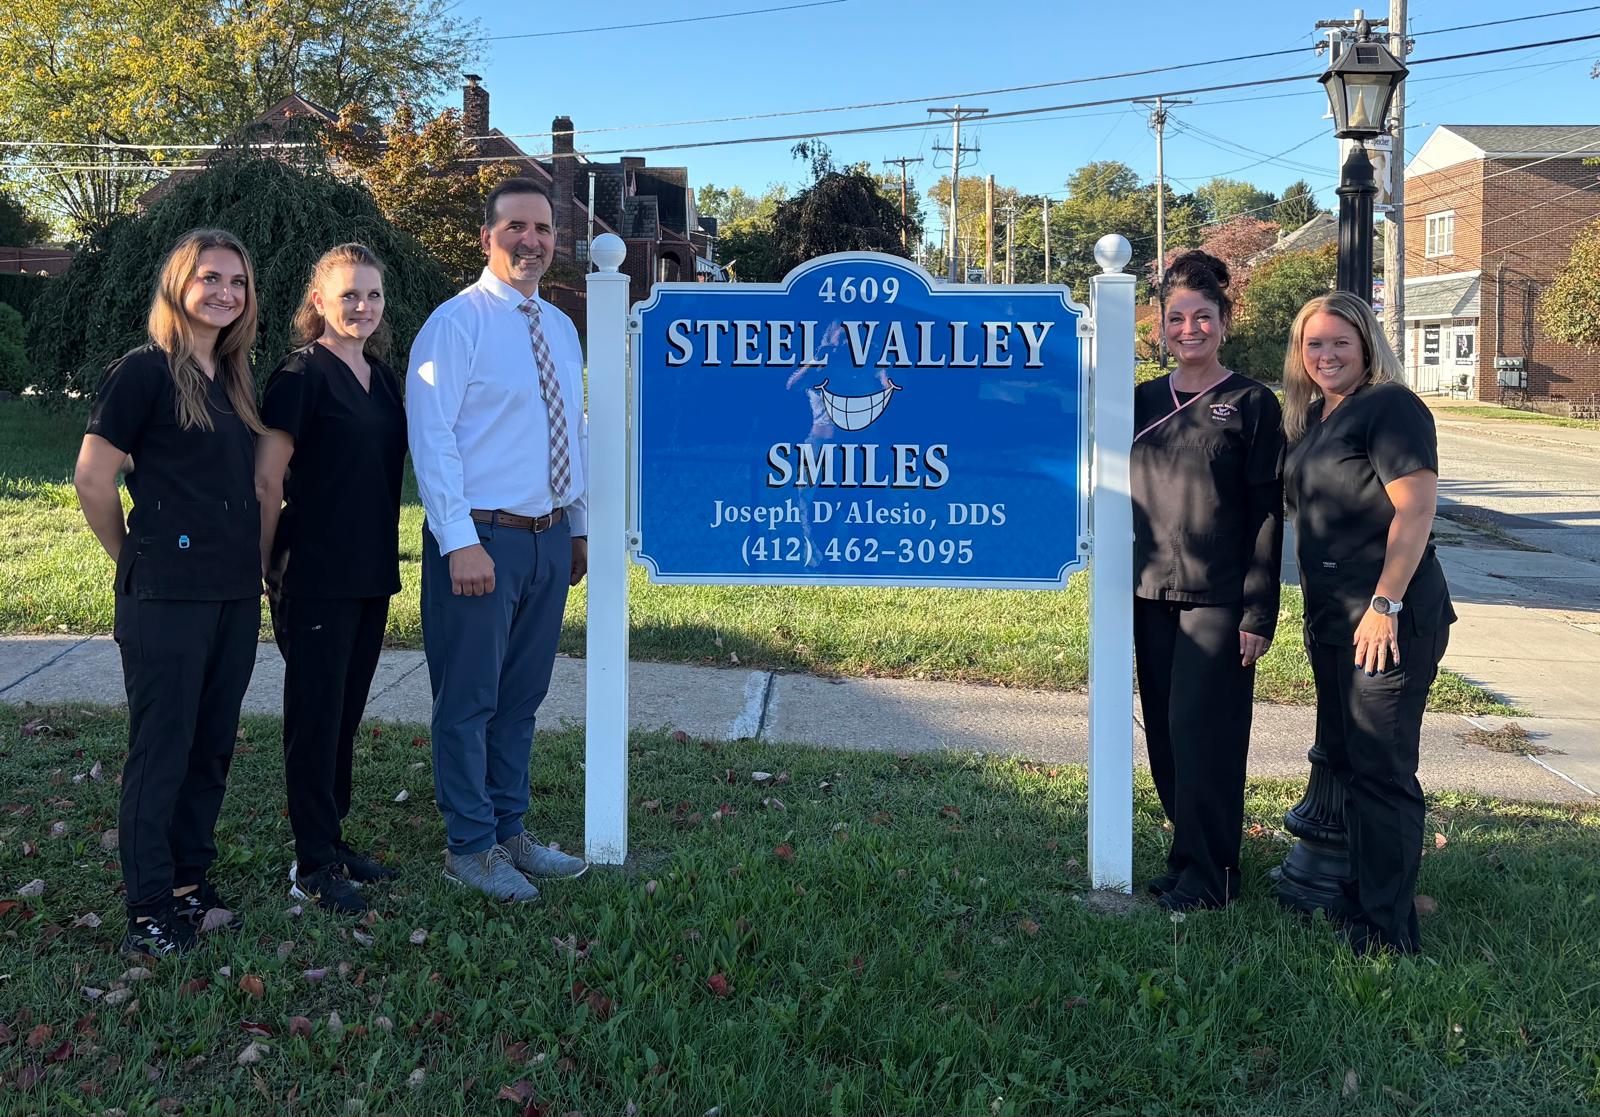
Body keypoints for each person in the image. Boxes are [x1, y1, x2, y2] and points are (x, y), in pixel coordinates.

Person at [74, 229, 266, 955]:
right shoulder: (143, 372)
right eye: (210, 278)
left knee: (211, 745)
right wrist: (132, 555)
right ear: (178, 285)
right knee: (162, 749)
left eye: (237, 282)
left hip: (232, 592)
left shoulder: (232, 377)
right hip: (165, 596)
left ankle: (190, 883)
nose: (224, 292)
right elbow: (94, 478)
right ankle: (148, 907)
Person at [406, 178, 591, 901]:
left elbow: (568, 430)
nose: (531, 240)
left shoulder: (560, 327)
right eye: (515, 226)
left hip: (546, 540)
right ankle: (469, 844)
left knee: (521, 698)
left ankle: (510, 828)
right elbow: (434, 438)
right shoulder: (456, 324)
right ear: (488, 237)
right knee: (469, 699)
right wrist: (459, 541)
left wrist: (574, 527)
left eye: (542, 228)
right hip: (481, 539)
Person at [1282, 291, 1454, 955]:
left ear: (1366, 346)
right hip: (1333, 619)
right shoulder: (1318, 416)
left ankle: (1387, 929)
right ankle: (1358, 895)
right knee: (1352, 762)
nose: (1326, 355)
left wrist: (1386, 603)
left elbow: (1415, 512)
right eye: (1314, 344)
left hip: (1388, 617)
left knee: (1381, 768)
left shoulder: (1391, 407)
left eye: (1339, 343)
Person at [1131, 251, 1285, 912]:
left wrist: (1258, 612)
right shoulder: (1138, 400)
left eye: (1202, 317)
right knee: (1165, 736)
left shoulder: (1252, 403)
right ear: (1160, 327)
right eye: (1176, 318)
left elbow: (1268, 513)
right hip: (1148, 592)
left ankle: (1214, 874)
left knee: (1207, 739)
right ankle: (1186, 856)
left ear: (1224, 322)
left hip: (1219, 600)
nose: (1189, 329)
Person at [255, 244, 406, 915]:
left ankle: (333, 839)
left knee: (343, 716)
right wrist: (265, 564)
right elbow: (267, 478)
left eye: (373, 296)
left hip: (371, 571)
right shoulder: (299, 375)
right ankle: (312, 861)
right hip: (312, 572)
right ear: (319, 300)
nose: (364, 308)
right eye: (350, 295)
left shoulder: (382, 376)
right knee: (314, 720)